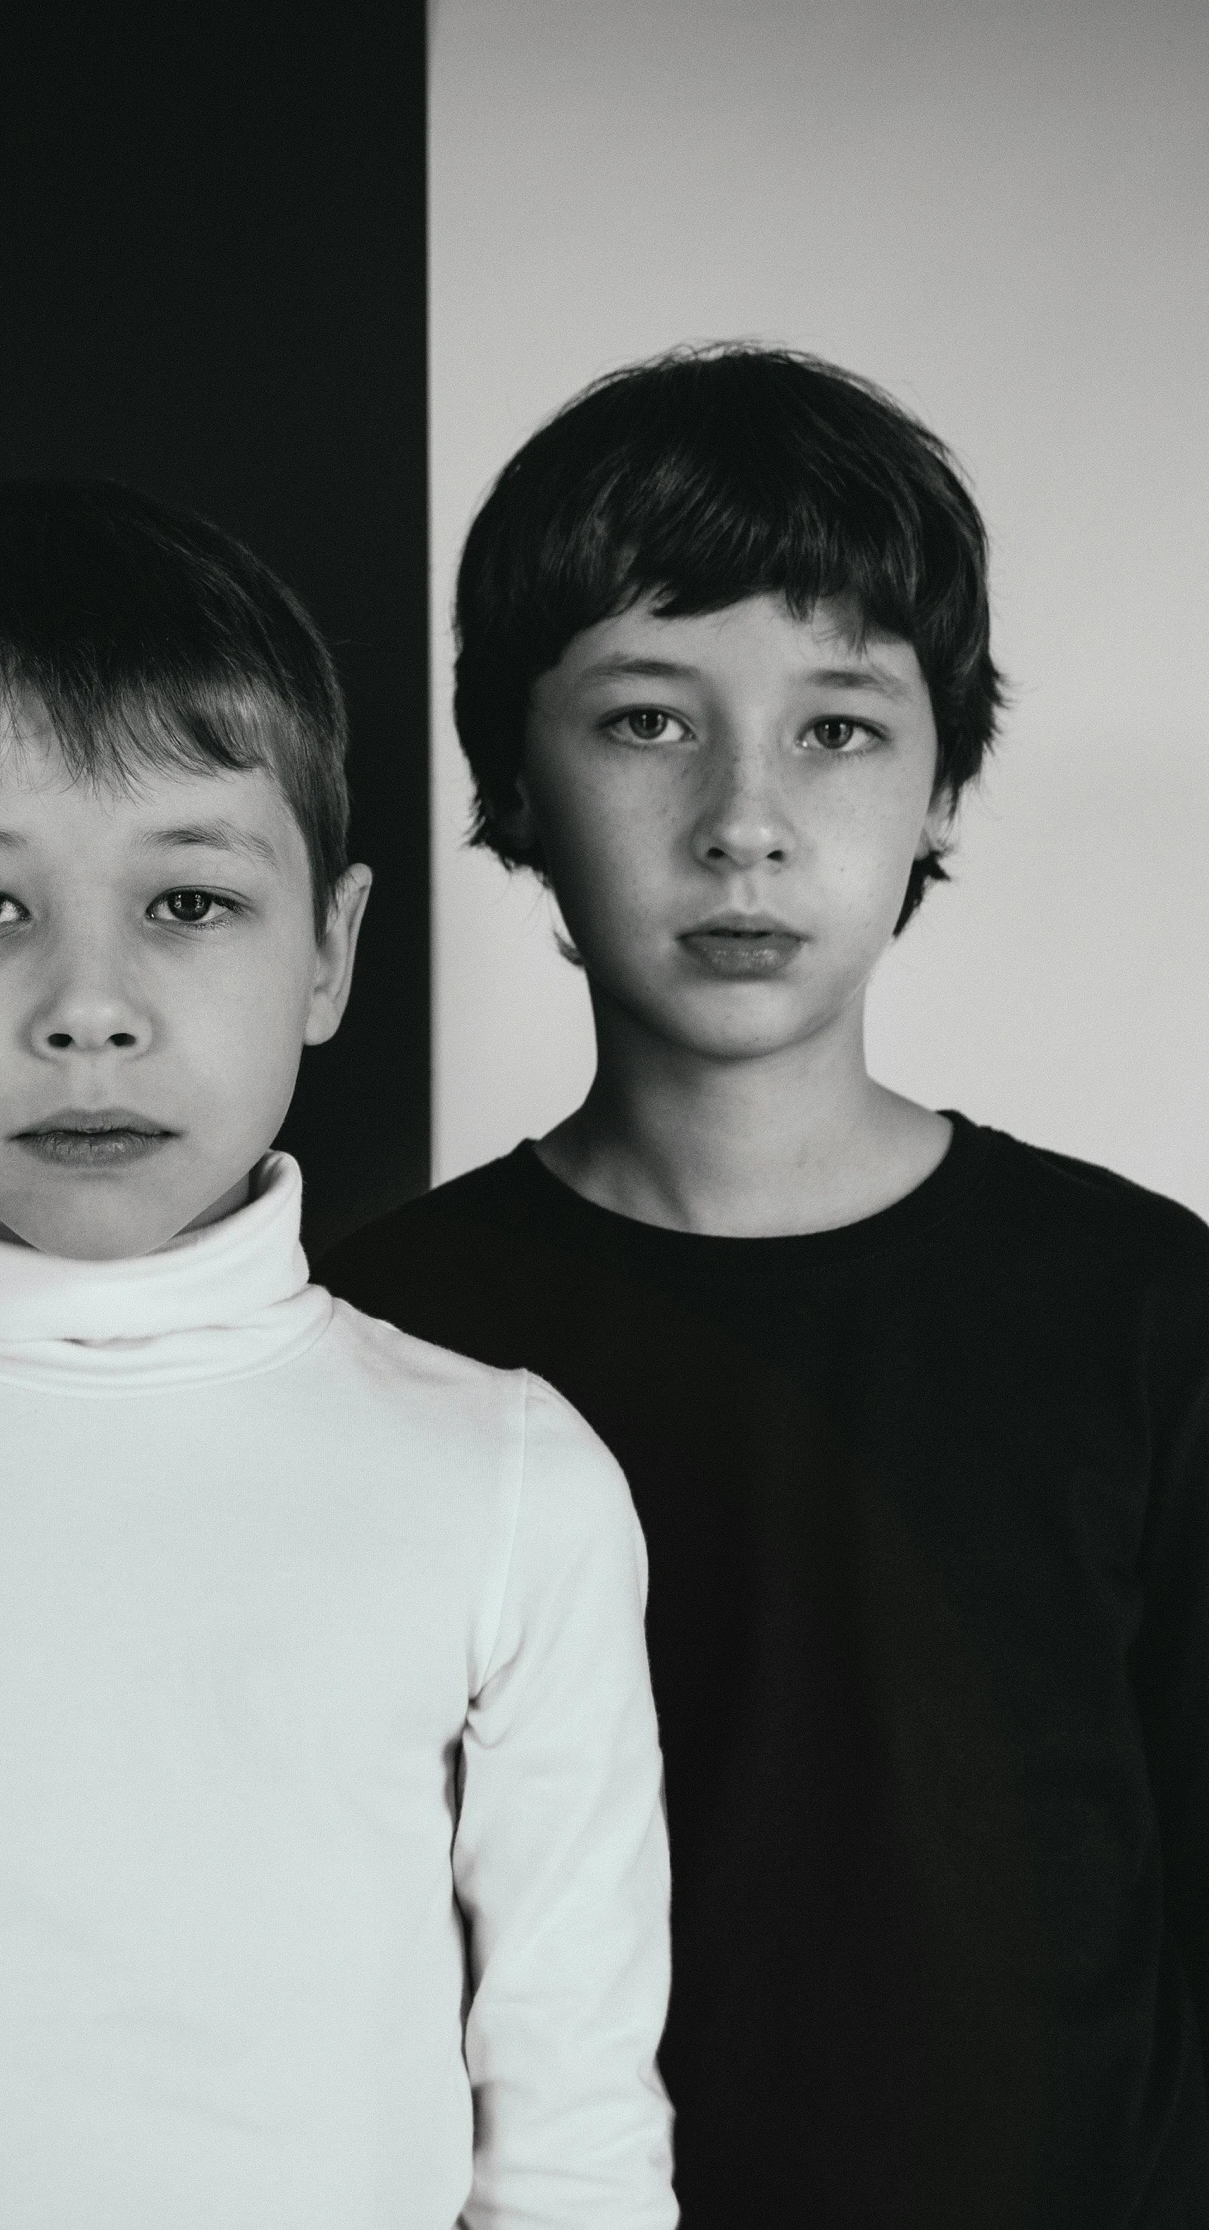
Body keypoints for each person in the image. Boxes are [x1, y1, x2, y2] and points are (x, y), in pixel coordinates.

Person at [0, 481, 676, 2229]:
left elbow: (574, 2158)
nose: (90, 1004)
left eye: (189, 902)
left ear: (331, 948)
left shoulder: (508, 1486)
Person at [318, 347, 1209, 2229]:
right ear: (511, 777)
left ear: (944, 775)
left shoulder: (1146, 1312)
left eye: (838, 726)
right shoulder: (370, 1342)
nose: (745, 818)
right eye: (647, 721)